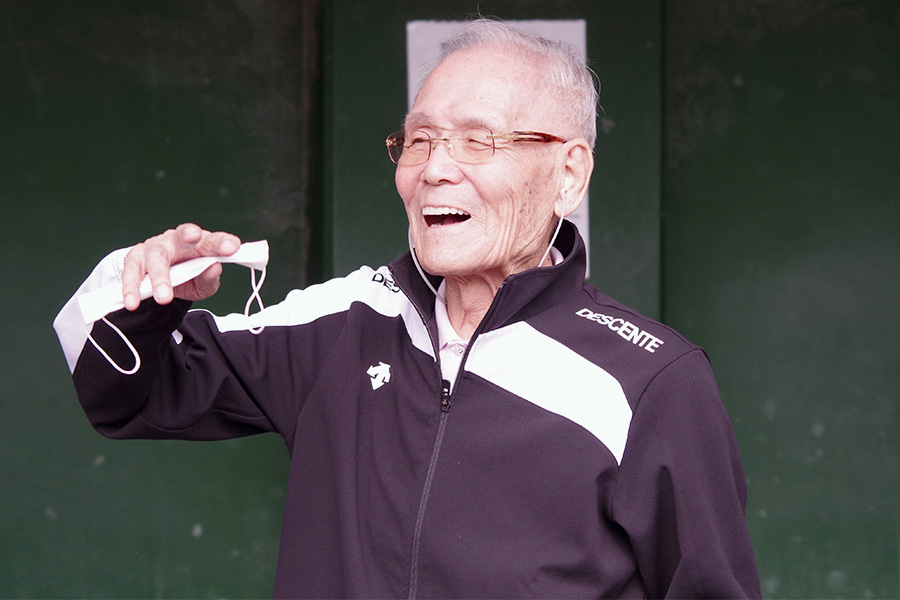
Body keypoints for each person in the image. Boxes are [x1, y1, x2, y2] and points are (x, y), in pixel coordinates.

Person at [54, 18, 760, 599]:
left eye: (478, 140)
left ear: (568, 173)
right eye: (418, 139)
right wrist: (148, 294)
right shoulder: (341, 325)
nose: (434, 168)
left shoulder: (652, 383)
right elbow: (122, 391)